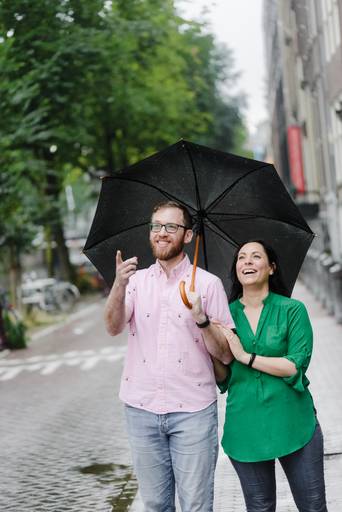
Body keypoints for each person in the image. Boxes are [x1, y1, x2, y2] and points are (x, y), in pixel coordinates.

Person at [104, 200, 234, 512]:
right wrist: (118, 286)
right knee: (156, 505)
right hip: (141, 410)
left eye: (171, 227)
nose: (162, 233)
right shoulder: (134, 282)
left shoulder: (207, 284)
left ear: (188, 236)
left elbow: (226, 355)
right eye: (156, 226)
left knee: (196, 504)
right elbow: (112, 327)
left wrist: (201, 316)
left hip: (193, 411)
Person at [211, 240, 327, 512]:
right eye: (241, 257)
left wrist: (245, 357)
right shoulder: (223, 316)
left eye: (255, 256)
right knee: (260, 508)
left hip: (293, 422)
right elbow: (223, 379)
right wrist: (207, 338)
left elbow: (294, 366)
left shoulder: (292, 309)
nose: (247, 262)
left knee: (313, 507)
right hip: (245, 427)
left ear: (271, 268)